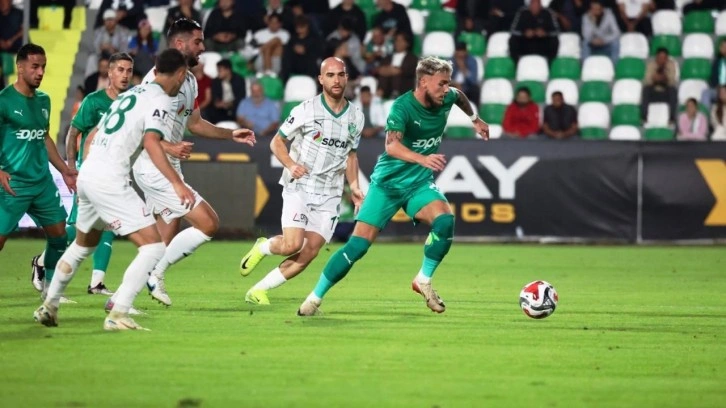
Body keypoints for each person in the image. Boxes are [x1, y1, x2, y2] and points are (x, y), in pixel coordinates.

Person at [296, 56, 489, 316]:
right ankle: (313, 299)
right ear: (424, 82)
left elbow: (460, 96)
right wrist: (422, 158)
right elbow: (391, 146)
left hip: (418, 183)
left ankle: (423, 280)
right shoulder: (403, 107)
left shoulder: (448, 97)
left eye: (448, 83)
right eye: (441, 83)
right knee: (357, 247)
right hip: (387, 185)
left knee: (445, 221)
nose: (446, 89)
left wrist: (475, 119)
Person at [33, 49, 194, 331]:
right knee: (154, 247)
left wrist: (86, 167)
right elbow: (152, 143)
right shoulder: (161, 100)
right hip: (110, 179)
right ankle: (118, 314)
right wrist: (177, 183)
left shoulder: (131, 95)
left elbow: (93, 136)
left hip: (89, 173)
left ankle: (50, 305)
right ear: (180, 74)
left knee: (83, 245)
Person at [130, 18, 256, 308]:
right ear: (179, 43)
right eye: (198, 41)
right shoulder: (155, 83)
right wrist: (169, 146)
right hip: (153, 166)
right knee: (208, 223)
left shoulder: (188, 80)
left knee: (161, 240)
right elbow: (140, 132)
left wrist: (230, 134)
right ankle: (154, 276)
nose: (202, 47)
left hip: (168, 166)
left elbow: (195, 123)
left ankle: (125, 298)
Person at [238, 57, 365, 305]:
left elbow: (351, 155)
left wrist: (355, 187)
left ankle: (258, 290)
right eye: (330, 75)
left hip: (330, 193)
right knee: (292, 245)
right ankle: (263, 247)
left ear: (347, 78)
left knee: (309, 251)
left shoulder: (356, 117)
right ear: (321, 79)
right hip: (301, 186)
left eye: (340, 74)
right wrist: (291, 164)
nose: (336, 80)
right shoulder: (306, 110)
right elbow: (277, 141)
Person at [30, 52, 134, 297]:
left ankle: (97, 282)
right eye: (120, 69)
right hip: (90, 171)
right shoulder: (94, 101)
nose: (125, 75)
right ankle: (43, 263)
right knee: (79, 227)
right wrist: (71, 166)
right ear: (109, 72)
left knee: (108, 225)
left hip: (115, 173)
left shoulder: (132, 102)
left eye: (129, 70)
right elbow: (73, 133)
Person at [0, 44, 77, 299]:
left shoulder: (44, 100)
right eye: (35, 66)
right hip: (13, 184)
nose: (40, 72)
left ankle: (50, 288)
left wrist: (64, 170)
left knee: (59, 236)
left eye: (43, 66)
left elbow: (44, 137)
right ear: (20, 68)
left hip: (42, 183)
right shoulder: (4, 101)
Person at [377, 32, 417, 99]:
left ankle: (395, 93)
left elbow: (406, 71)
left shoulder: (412, 58)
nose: (397, 43)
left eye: (400, 41)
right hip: (387, 87)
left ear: (407, 43)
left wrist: (392, 70)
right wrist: (392, 70)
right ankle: (379, 95)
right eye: (396, 40)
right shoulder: (387, 58)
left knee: (397, 75)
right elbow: (381, 70)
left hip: (403, 87)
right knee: (384, 75)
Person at [206, 59, 246, 123]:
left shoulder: (239, 80)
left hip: (235, 107)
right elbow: (214, 96)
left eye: (220, 71)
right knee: (210, 111)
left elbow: (241, 97)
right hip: (220, 109)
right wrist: (217, 102)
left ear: (228, 70)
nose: (218, 73)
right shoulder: (216, 82)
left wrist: (229, 104)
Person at [450, 42, 480, 109]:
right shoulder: (451, 61)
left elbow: (473, 80)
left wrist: (463, 68)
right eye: (459, 52)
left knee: (475, 90)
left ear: (466, 52)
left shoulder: (472, 61)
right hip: (453, 85)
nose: (461, 54)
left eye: (462, 52)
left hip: (467, 86)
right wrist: (455, 84)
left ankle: (474, 111)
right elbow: (447, 77)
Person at [702, 38, 726, 110]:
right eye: (722, 46)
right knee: (706, 93)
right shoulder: (717, 62)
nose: (724, 49)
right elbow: (712, 78)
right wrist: (718, 87)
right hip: (718, 89)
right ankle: (706, 116)